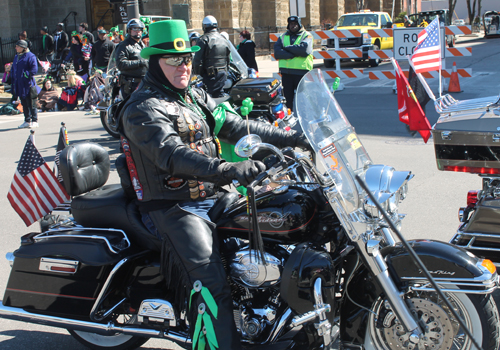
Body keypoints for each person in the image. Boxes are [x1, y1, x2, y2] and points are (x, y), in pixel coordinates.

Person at [119, 19, 310, 350]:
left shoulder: (191, 94)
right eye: (174, 60)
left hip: (214, 195)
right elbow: (172, 155)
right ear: (154, 61)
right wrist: (229, 169)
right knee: (210, 284)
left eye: (188, 59)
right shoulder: (142, 107)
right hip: (174, 206)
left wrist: (294, 137)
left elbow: (236, 125)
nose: (184, 66)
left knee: (284, 220)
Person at [273, 16, 313, 111]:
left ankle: (304, 118)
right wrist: (294, 52)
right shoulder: (282, 37)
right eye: (291, 24)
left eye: (295, 24)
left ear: (299, 25)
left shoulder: (307, 35)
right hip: (286, 73)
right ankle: (289, 118)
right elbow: (277, 53)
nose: (293, 26)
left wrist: (286, 48)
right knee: (287, 100)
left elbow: (304, 50)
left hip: (301, 72)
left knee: (303, 99)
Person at [193, 15, 230, 98]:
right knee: (220, 95)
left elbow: (197, 60)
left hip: (209, 75)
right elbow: (228, 60)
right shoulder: (224, 39)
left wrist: (198, 73)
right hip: (222, 74)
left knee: (208, 98)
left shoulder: (203, 39)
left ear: (204, 26)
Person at [115, 18, 148, 99]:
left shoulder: (142, 45)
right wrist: (140, 63)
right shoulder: (123, 45)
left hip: (144, 83)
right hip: (131, 85)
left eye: (139, 29)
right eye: (134, 29)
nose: (137, 31)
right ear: (129, 30)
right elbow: (121, 64)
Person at [11, 40, 39, 128]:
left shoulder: (30, 56)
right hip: (19, 83)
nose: (16, 48)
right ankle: (27, 120)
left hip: (28, 83)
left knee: (31, 102)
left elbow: (34, 69)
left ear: (23, 47)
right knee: (24, 102)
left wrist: (26, 74)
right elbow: (13, 68)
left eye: (17, 46)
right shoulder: (17, 56)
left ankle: (34, 120)